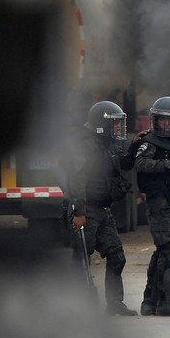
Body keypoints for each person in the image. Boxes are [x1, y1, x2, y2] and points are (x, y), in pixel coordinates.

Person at [65, 101, 137, 316]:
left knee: (117, 255)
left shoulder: (108, 144)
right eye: (115, 123)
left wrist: (135, 146)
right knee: (82, 259)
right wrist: (79, 212)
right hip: (87, 209)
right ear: (102, 123)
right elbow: (77, 180)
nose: (118, 127)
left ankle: (114, 303)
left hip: (103, 210)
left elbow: (124, 164)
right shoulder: (86, 145)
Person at [134, 96, 170, 317]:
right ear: (156, 120)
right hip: (158, 202)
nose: (167, 124)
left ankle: (151, 301)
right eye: (163, 120)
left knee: (164, 253)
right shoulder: (149, 142)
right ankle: (166, 304)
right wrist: (169, 165)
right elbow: (140, 163)